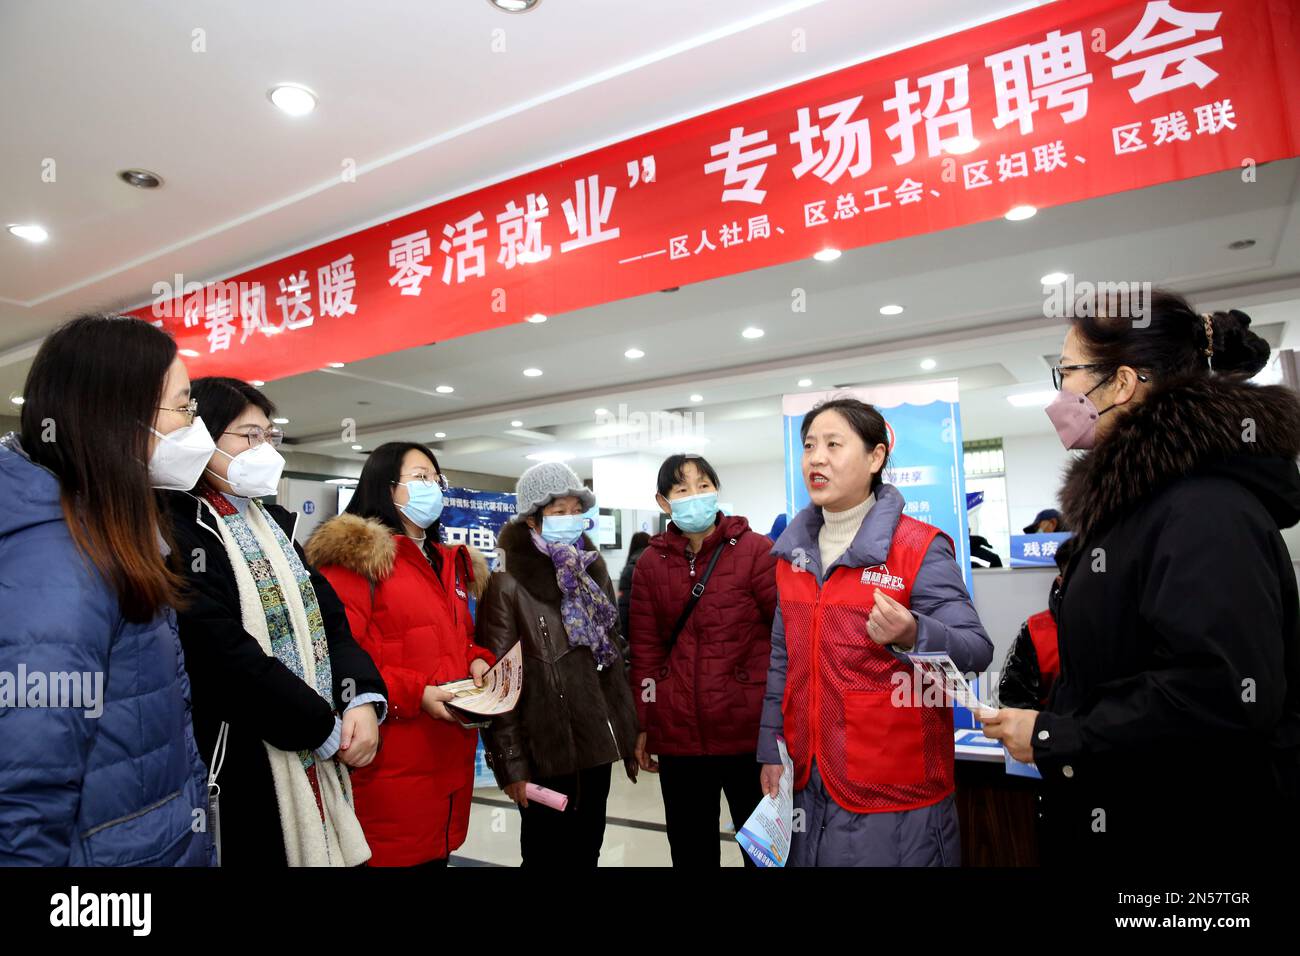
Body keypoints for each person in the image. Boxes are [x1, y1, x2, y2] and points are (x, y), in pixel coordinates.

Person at [982, 291, 1300, 864]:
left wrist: (1057, 736)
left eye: (1068, 371)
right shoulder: (1137, 507)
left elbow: (1221, 693)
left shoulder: (1204, 510)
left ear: (1123, 383)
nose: (1061, 394)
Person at [0, 313, 213, 866]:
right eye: (184, 405)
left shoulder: (107, 527)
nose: (194, 425)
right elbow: (24, 789)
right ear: (119, 415)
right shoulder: (60, 559)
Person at [758, 397, 993, 866]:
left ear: (876, 457)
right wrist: (771, 749)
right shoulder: (792, 555)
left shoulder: (918, 547)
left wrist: (913, 632)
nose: (816, 458)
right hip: (808, 780)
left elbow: (975, 650)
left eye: (833, 444)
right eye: (808, 446)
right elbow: (784, 660)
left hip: (895, 790)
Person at [164, 377, 385, 867]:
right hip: (243, 758)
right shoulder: (180, 528)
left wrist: (360, 699)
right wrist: (319, 726)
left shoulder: (277, 528)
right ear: (203, 438)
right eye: (249, 436)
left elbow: (332, 624)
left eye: (269, 435)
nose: (264, 449)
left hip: (314, 742)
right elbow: (222, 654)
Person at [307, 441, 496, 867]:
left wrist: (478, 660)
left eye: (436, 478)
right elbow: (342, 654)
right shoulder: (356, 560)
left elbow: (458, 638)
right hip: (390, 758)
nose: (433, 487)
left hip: (446, 757)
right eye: (420, 477)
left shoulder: (448, 561)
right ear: (386, 487)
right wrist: (416, 694)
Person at [476, 461, 639, 867]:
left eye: (574, 510)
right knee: (546, 857)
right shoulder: (507, 583)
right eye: (557, 511)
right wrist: (512, 765)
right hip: (543, 751)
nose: (570, 520)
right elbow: (499, 682)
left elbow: (612, 655)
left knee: (587, 853)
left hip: (596, 747)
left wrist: (626, 728)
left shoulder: (590, 569)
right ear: (532, 520)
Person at [628, 453, 777, 866]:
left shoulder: (755, 550)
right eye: (682, 490)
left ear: (716, 491)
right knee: (691, 850)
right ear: (663, 502)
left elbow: (783, 638)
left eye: (704, 486)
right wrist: (644, 722)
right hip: (680, 737)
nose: (695, 496)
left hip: (748, 732)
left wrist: (780, 721)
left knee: (764, 853)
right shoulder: (650, 565)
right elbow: (644, 652)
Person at [997, 537, 1075, 710]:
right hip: (1051, 733)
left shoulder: (1126, 625)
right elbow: (1010, 701)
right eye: (1077, 577)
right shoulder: (1035, 630)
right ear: (1061, 582)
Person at [617, 530, 651, 639]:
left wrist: (623, 635)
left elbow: (624, 606)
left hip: (636, 630)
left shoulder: (629, 570)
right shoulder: (658, 566)